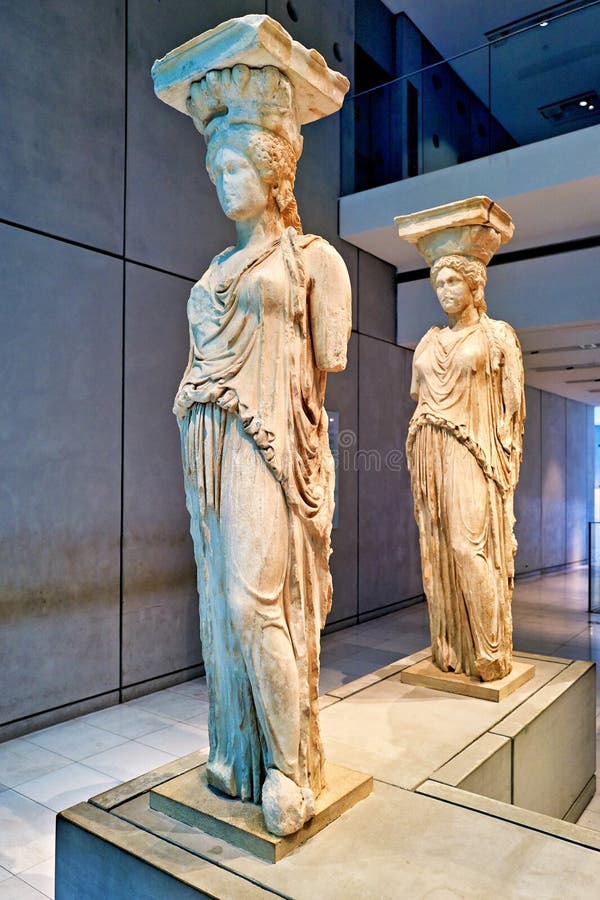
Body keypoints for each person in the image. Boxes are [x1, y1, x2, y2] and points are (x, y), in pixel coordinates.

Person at [173, 64, 351, 834]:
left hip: (267, 448)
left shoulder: (313, 263)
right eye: (215, 167)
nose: (222, 179)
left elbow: (325, 367)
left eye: (236, 164)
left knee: (255, 602)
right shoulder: (213, 270)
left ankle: (285, 765)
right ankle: (237, 750)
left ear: (273, 169)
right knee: (221, 604)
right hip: (206, 447)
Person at [406, 253, 525, 682]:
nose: (445, 291)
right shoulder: (429, 340)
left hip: (473, 450)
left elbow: (513, 410)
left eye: (454, 281)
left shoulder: (496, 337)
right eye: (439, 283)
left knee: (466, 546)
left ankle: (491, 649)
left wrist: (506, 463)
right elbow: (418, 394)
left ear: (475, 286)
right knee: (437, 547)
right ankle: (452, 646)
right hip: (429, 447)